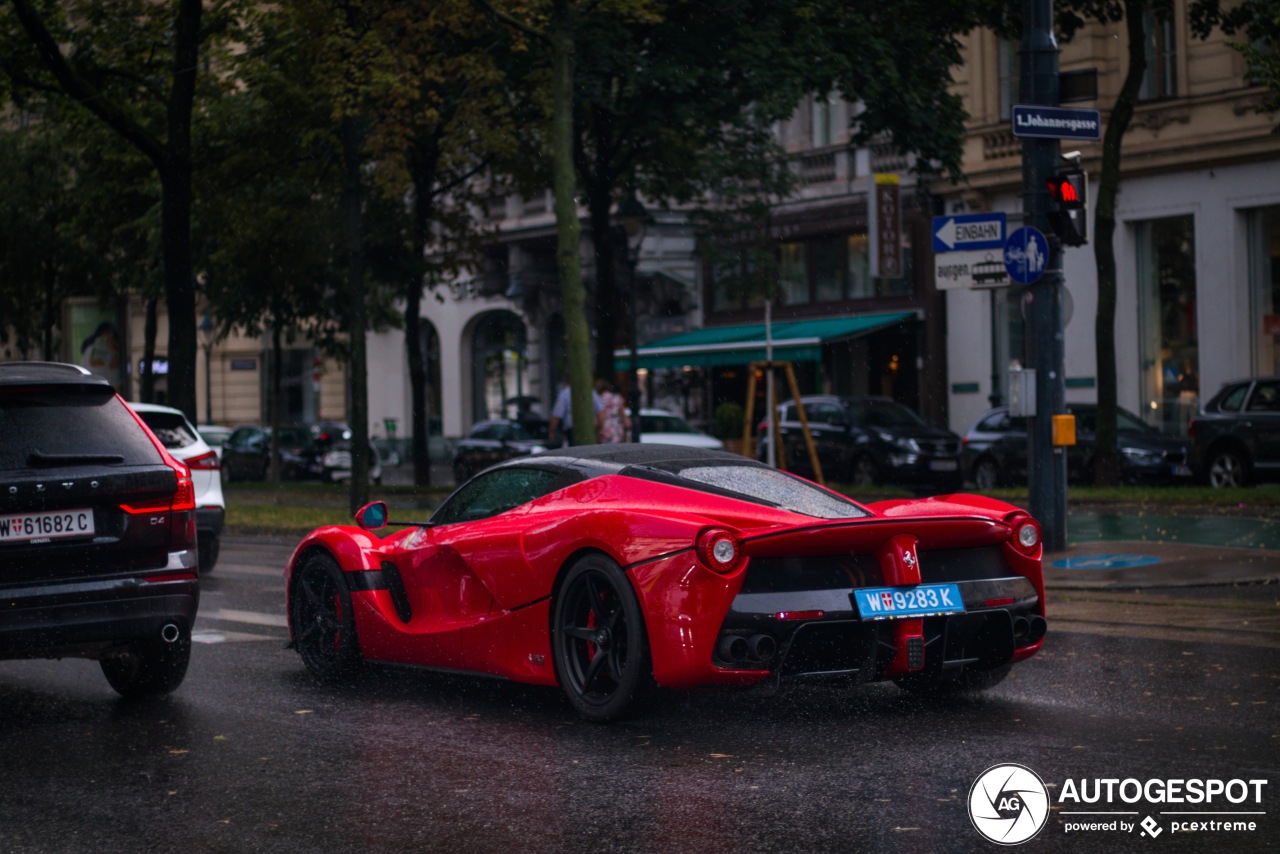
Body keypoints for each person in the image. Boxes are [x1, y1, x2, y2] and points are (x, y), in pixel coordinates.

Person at [549, 379, 602, 446]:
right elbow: (601, 413)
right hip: (590, 429)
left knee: (575, 452)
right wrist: (599, 430)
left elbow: (556, 416)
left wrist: (552, 432)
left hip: (572, 431)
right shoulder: (590, 392)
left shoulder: (564, 394)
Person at [595, 378, 631, 444]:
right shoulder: (616, 398)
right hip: (617, 427)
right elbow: (623, 415)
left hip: (605, 428)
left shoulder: (598, 399)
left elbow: (600, 417)